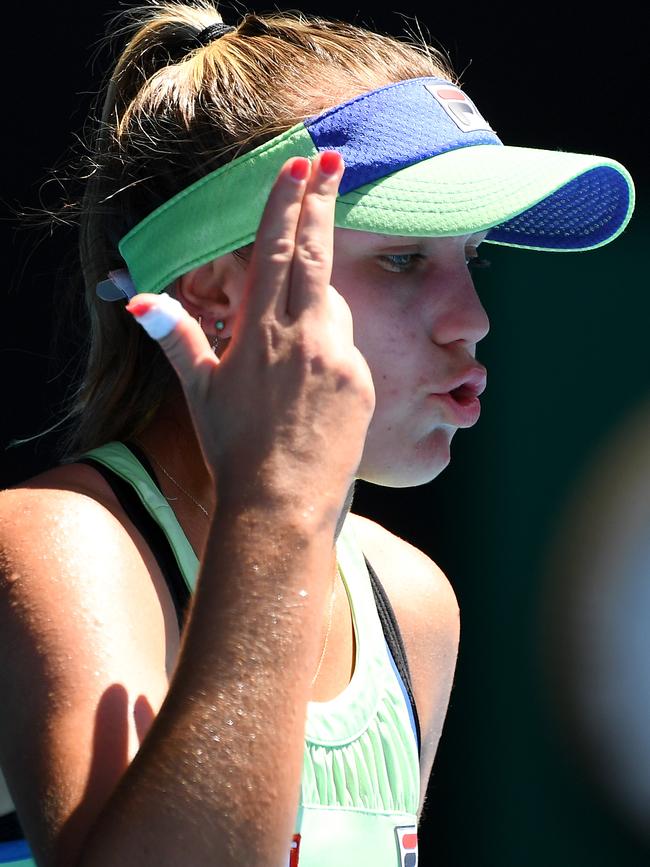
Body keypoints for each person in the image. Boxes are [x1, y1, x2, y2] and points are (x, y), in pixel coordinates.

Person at [0, 3, 635, 866]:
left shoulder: (414, 602)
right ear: (218, 291)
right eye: (404, 259)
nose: (473, 320)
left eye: (473, 258)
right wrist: (279, 502)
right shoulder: (58, 541)